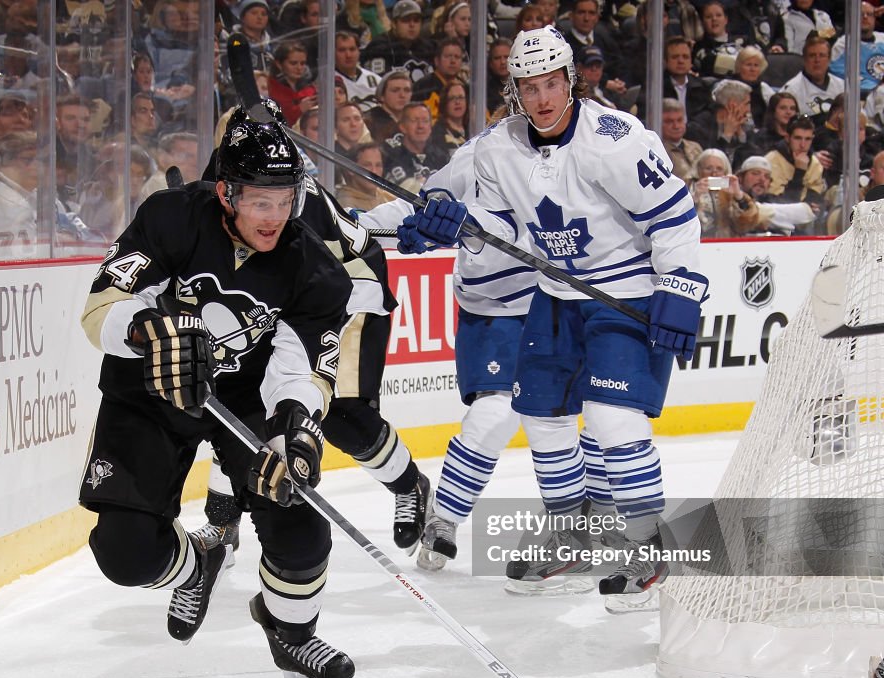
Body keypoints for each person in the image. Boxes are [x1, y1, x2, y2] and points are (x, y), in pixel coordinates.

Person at [398, 27, 706, 598]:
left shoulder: (614, 140)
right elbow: (500, 226)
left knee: (613, 419)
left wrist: (682, 285)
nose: (541, 98)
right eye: (528, 86)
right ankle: (570, 533)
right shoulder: (497, 148)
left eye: (550, 84)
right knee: (542, 417)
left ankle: (647, 549)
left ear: (571, 80)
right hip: (555, 293)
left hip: (625, 290)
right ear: (515, 88)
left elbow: (674, 214)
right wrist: (458, 222)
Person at [78, 111, 359, 678]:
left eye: (286, 200)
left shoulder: (316, 270)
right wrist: (146, 330)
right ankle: (196, 564)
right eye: (261, 201)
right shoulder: (170, 217)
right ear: (227, 192)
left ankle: (292, 633)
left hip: (244, 397)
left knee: (299, 518)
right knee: (125, 555)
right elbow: (100, 308)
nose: (275, 217)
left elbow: (303, 369)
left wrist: (295, 434)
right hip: (149, 387)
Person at [357, 132, 617, 581]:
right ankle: (444, 518)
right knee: (494, 414)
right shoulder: (478, 152)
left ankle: (592, 519)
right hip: (492, 310)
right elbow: (424, 204)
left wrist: (464, 229)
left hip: (555, 300)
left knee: (596, 411)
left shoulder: (574, 160)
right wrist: (359, 223)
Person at [195, 101, 434, 566]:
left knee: (339, 413)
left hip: (351, 292)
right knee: (242, 405)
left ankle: (410, 487)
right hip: (295, 298)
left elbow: (332, 271)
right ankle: (222, 522)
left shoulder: (287, 191)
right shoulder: (226, 182)